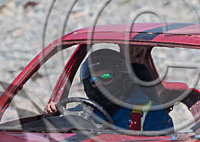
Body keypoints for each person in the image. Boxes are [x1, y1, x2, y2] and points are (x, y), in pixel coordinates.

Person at [44, 48, 173, 132]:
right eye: (94, 80)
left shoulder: (152, 113)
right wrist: (53, 114)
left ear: (122, 76)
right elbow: (63, 126)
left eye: (106, 77)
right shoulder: (84, 110)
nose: (100, 84)